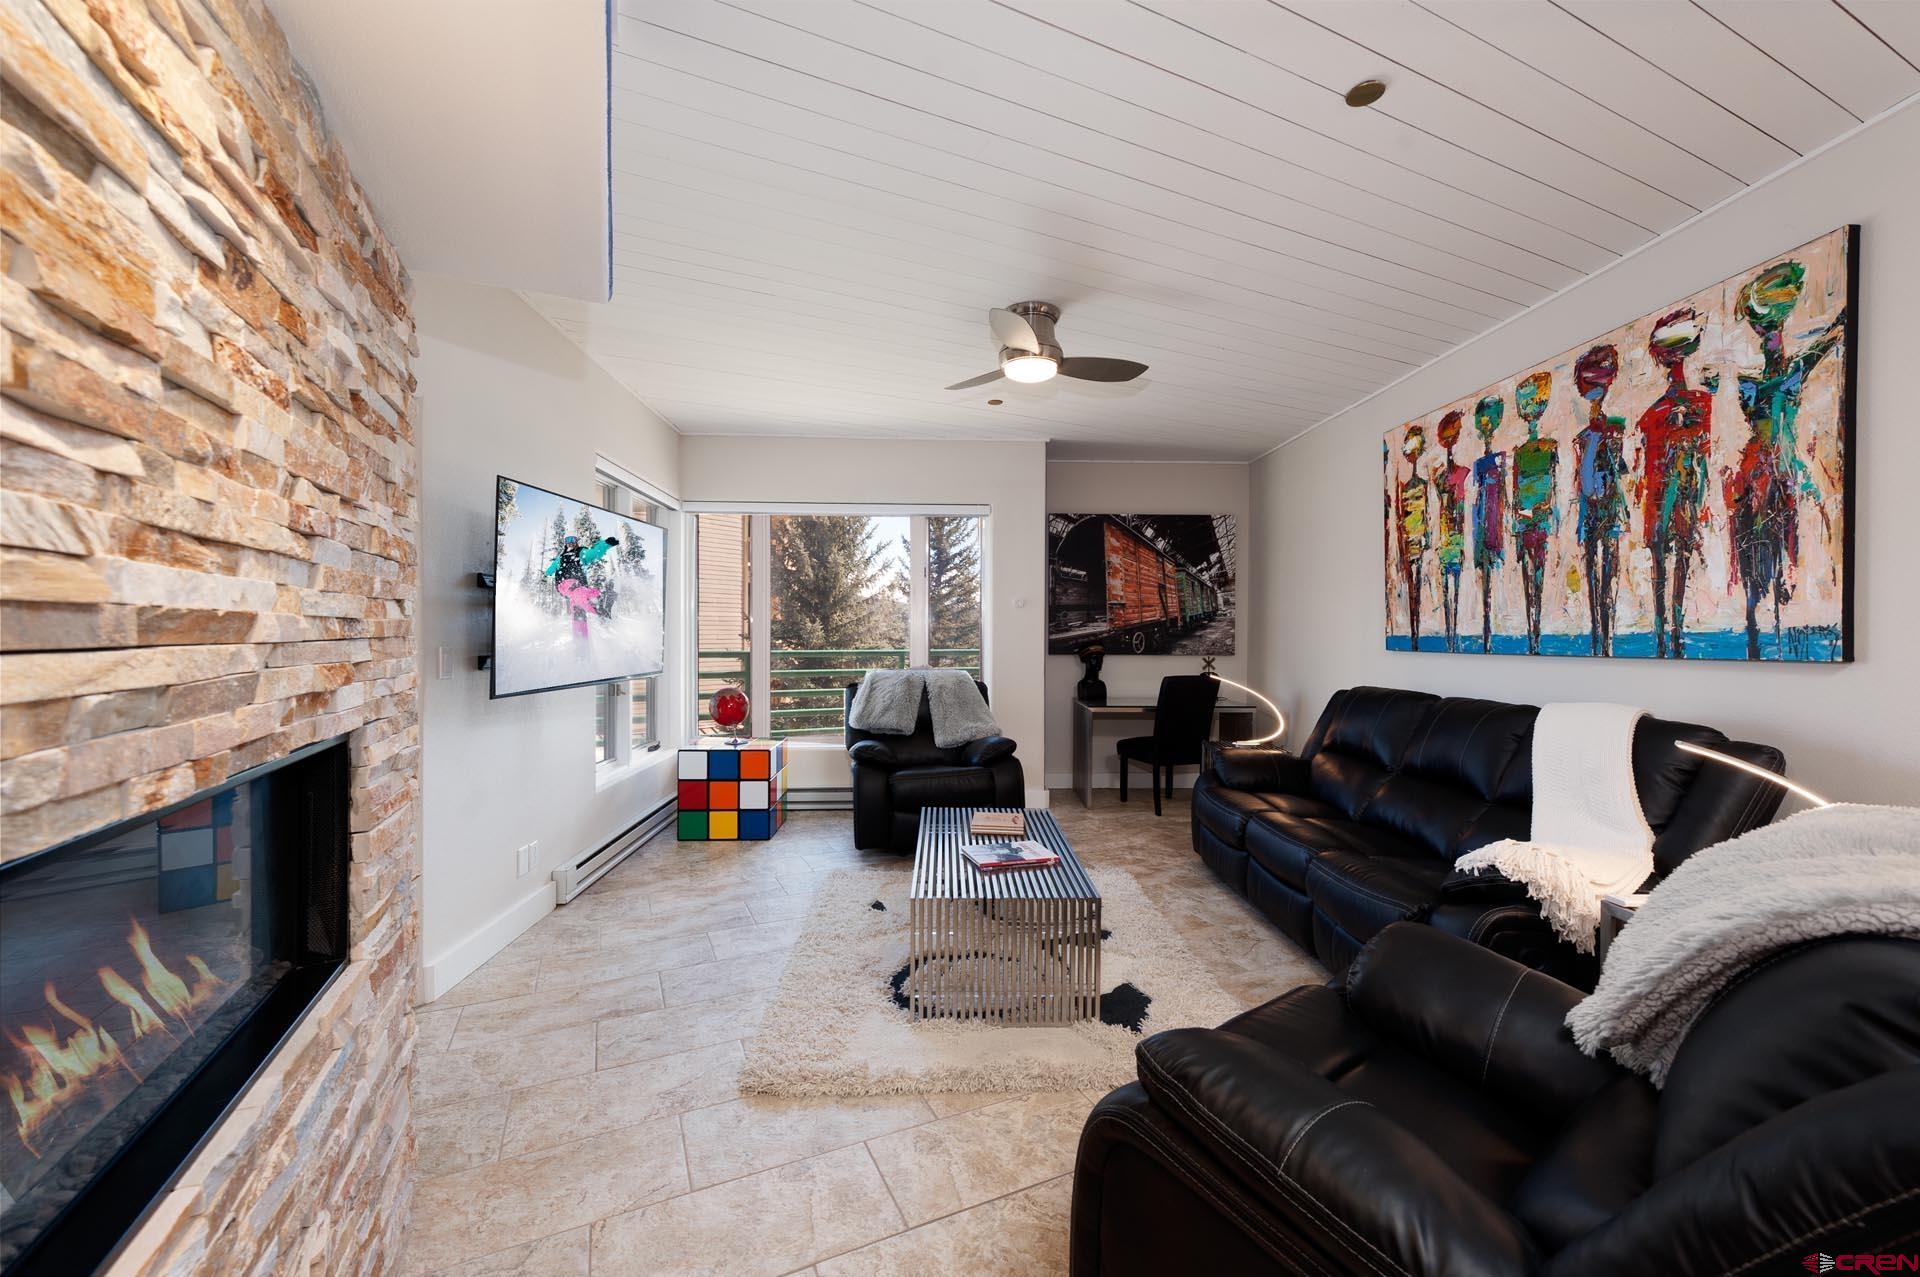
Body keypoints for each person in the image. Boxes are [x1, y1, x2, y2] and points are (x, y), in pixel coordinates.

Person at [1725, 260, 1846, 660]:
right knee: (1756, 547)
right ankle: (1757, 626)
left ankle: (1774, 610)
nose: (1771, 342)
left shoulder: (1781, 376)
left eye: (1772, 335)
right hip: (1759, 470)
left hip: (1777, 470)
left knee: (1783, 534)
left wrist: (1836, 329)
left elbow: (1815, 351)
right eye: (1767, 335)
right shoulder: (1753, 384)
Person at [1635, 308, 1714, 658]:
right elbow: (1648, 465)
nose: (1676, 365)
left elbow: (1703, 453)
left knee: (1676, 559)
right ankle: (1663, 634)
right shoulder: (1653, 415)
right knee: (1663, 563)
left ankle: (1672, 633)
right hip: (1660, 495)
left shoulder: (1698, 403)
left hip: (1682, 494)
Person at [1571, 345, 1628, 656]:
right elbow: (1584, 484)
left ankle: (1605, 644)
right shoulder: (1586, 436)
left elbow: (1615, 476)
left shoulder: (1613, 429)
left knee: (1608, 578)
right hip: (1593, 514)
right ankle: (1598, 640)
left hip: (1608, 511)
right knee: (1595, 576)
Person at [1510, 371, 1558, 656]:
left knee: (1537, 572)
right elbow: (1516, 492)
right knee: (1529, 574)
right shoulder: (1519, 453)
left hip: (1539, 521)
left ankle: (1536, 630)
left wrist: (1544, 513)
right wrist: (1523, 518)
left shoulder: (1549, 447)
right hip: (1527, 521)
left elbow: (1553, 488)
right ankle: (1531, 630)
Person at [1469, 394, 1507, 654]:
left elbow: (1503, 496)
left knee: (1489, 581)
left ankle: (1489, 634)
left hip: (1494, 527)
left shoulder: (1499, 461)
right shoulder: (1480, 466)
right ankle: (1486, 632)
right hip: (1481, 531)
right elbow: (1474, 502)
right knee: (1484, 579)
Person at [1432, 411, 1471, 653]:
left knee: (1454, 586)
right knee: (1446, 588)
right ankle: (1449, 636)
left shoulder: (1463, 473)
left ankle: (1453, 636)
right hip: (1445, 538)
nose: (1450, 441)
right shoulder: (1438, 477)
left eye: (1453, 435)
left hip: (1456, 538)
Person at [1394, 426, 1432, 651]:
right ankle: (1414, 632)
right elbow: (1401, 520)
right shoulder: (1404, 488)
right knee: (1411, 586)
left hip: (1419, 540)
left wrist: (1426, 538)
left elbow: (1426, 515)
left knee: (1417, 584)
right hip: (1408, 541)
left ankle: (1415, 634)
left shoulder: (1422, 486)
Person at [544, 534, 619, 638]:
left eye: (573, 540)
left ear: (576, 542)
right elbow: (551, 569)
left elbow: (594, 553)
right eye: (568, 540)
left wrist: (606, 544)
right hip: (564, 584)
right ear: (565, 544)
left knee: (580, 606)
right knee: (579, 594)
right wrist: (545, 575)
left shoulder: (580, 553)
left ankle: (581, 639)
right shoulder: (561, 558)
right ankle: (600, 608)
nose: (570, 542)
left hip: (581, 586)